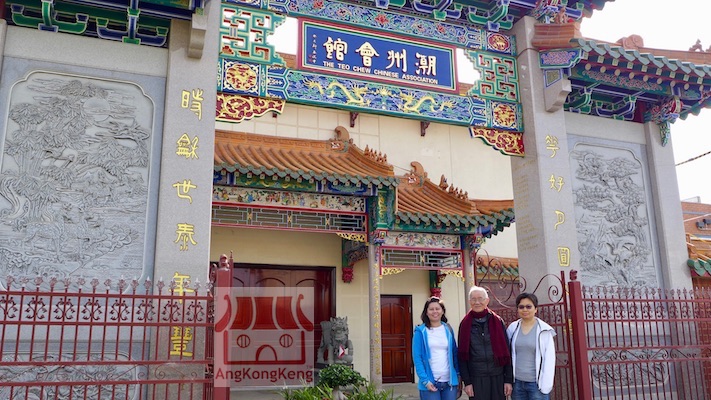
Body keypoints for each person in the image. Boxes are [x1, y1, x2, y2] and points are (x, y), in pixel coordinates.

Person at [458, 286, 513, 400]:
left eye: (480, 299)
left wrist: (508, 380)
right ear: (469, 302)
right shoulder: (465, 324)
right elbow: (462, 356)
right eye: (473, 299)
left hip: (498, 376)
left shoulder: (497, 321)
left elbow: (507, 352)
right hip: (477, 377)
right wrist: (467, 382)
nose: (477, 302)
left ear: (487, 301)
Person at [506, 293, 557, 400]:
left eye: (529, 306)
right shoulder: (513, 328)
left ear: (535, 309)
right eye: (521, 307)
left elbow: (549, 359)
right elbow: (507, 354)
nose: (525, 309)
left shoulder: (544, 331)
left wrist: (546, 385)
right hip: (517, 383)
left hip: (536, 384)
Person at [412, 296, 460, 400]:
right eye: (431, 309)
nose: (435, 312)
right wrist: (425, 381)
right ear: (426, 312)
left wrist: (457, 375)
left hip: (449, 382)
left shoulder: (448, 329)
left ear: (442, 311)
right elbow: (417, 358)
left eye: (437, 309)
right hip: (430, 382)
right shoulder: (420, 331)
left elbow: (454, 353)